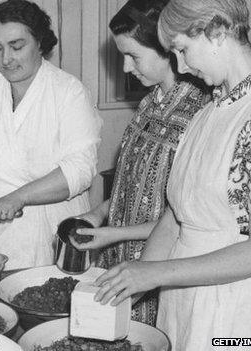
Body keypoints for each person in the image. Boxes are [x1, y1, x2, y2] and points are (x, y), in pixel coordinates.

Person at [94, 0, 251, 349]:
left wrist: (154, 274)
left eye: (182, 49)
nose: (180, 65)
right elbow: (175, 216)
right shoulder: (209, 111)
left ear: (216, 32)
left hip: (237, 314)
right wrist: (129, 285)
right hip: (182, 302)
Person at [70, 0, 209, 326]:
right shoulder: (148, 104)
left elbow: (183, 218)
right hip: (119, 257)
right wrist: (97, 214)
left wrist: (115, 233)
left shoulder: (200, 113)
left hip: (160, 267)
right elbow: (129, 184)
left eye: (133, 56)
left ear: (168, 50)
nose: (125, 68)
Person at [0, 0, 102, 270]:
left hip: (51, 240)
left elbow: (80, 170)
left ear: (39, 43)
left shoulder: (69, 93)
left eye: (17, 47)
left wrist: (18, 197)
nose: (6, 59)